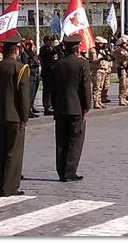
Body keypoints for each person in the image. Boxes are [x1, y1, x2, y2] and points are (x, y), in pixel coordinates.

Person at [0, 32, 30, 197]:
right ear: (17, 50)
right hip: (15, 117)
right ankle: (10, 187)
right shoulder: (20, 69)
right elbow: (23, 97)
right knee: (14, 151)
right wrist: (24, 117)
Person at [51, 34, 91, 182]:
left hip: (60, 107)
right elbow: (85, 87)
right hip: (76, 108)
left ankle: (61, 171)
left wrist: (53, 105)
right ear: (77, 48)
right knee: (75, 140)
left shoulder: (58, 64)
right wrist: (86, 106)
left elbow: (52, 88)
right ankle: (70, 171)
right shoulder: (82, 64)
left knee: (61, 140)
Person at [89, 36, 114, 109]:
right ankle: (96, 102)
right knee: (96, 87)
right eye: (101, 44)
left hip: (103, 70)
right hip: (97, 70)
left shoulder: (102, 50)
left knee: (101, 87)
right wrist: (101, 58)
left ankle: (99, 101)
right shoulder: (93, 50)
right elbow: (94, 60)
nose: (102, 45)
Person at [39, 35, 57, 115]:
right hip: (46, 72)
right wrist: (56, 48)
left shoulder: (52, 48)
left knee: (53, 90)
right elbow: (49, 55)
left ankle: (52, 105)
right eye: (48, 41)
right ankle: (46, 106)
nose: (50, 42)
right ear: (45, 42)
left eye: (51, 41)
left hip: (53, 72)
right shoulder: (43, 49)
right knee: (47, 90)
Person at [113, 36, 128, 106]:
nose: (126, 44)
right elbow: (124, 55)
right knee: (123, 84)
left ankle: (124, 98)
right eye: (124, 43)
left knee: (126, 84)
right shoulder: (119, 50)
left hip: (127, 69)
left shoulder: (127, 49)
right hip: (122, 69)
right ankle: (121, 99)